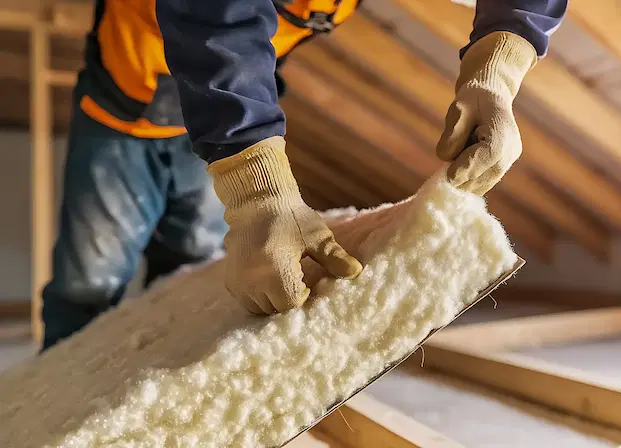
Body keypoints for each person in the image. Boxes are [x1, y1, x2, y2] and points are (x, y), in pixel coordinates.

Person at [155, 0, 568, 315]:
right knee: (93, 277)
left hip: (212, 115)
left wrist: (498, 68)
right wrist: (257, 189)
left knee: (190, 268)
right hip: (125, 102)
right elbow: (213, 15)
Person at [40, 0, 364, 350]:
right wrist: (260, 189)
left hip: (210, 127)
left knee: (191, 278)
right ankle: (54, 402)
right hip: (122, 116)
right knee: (88, 283)